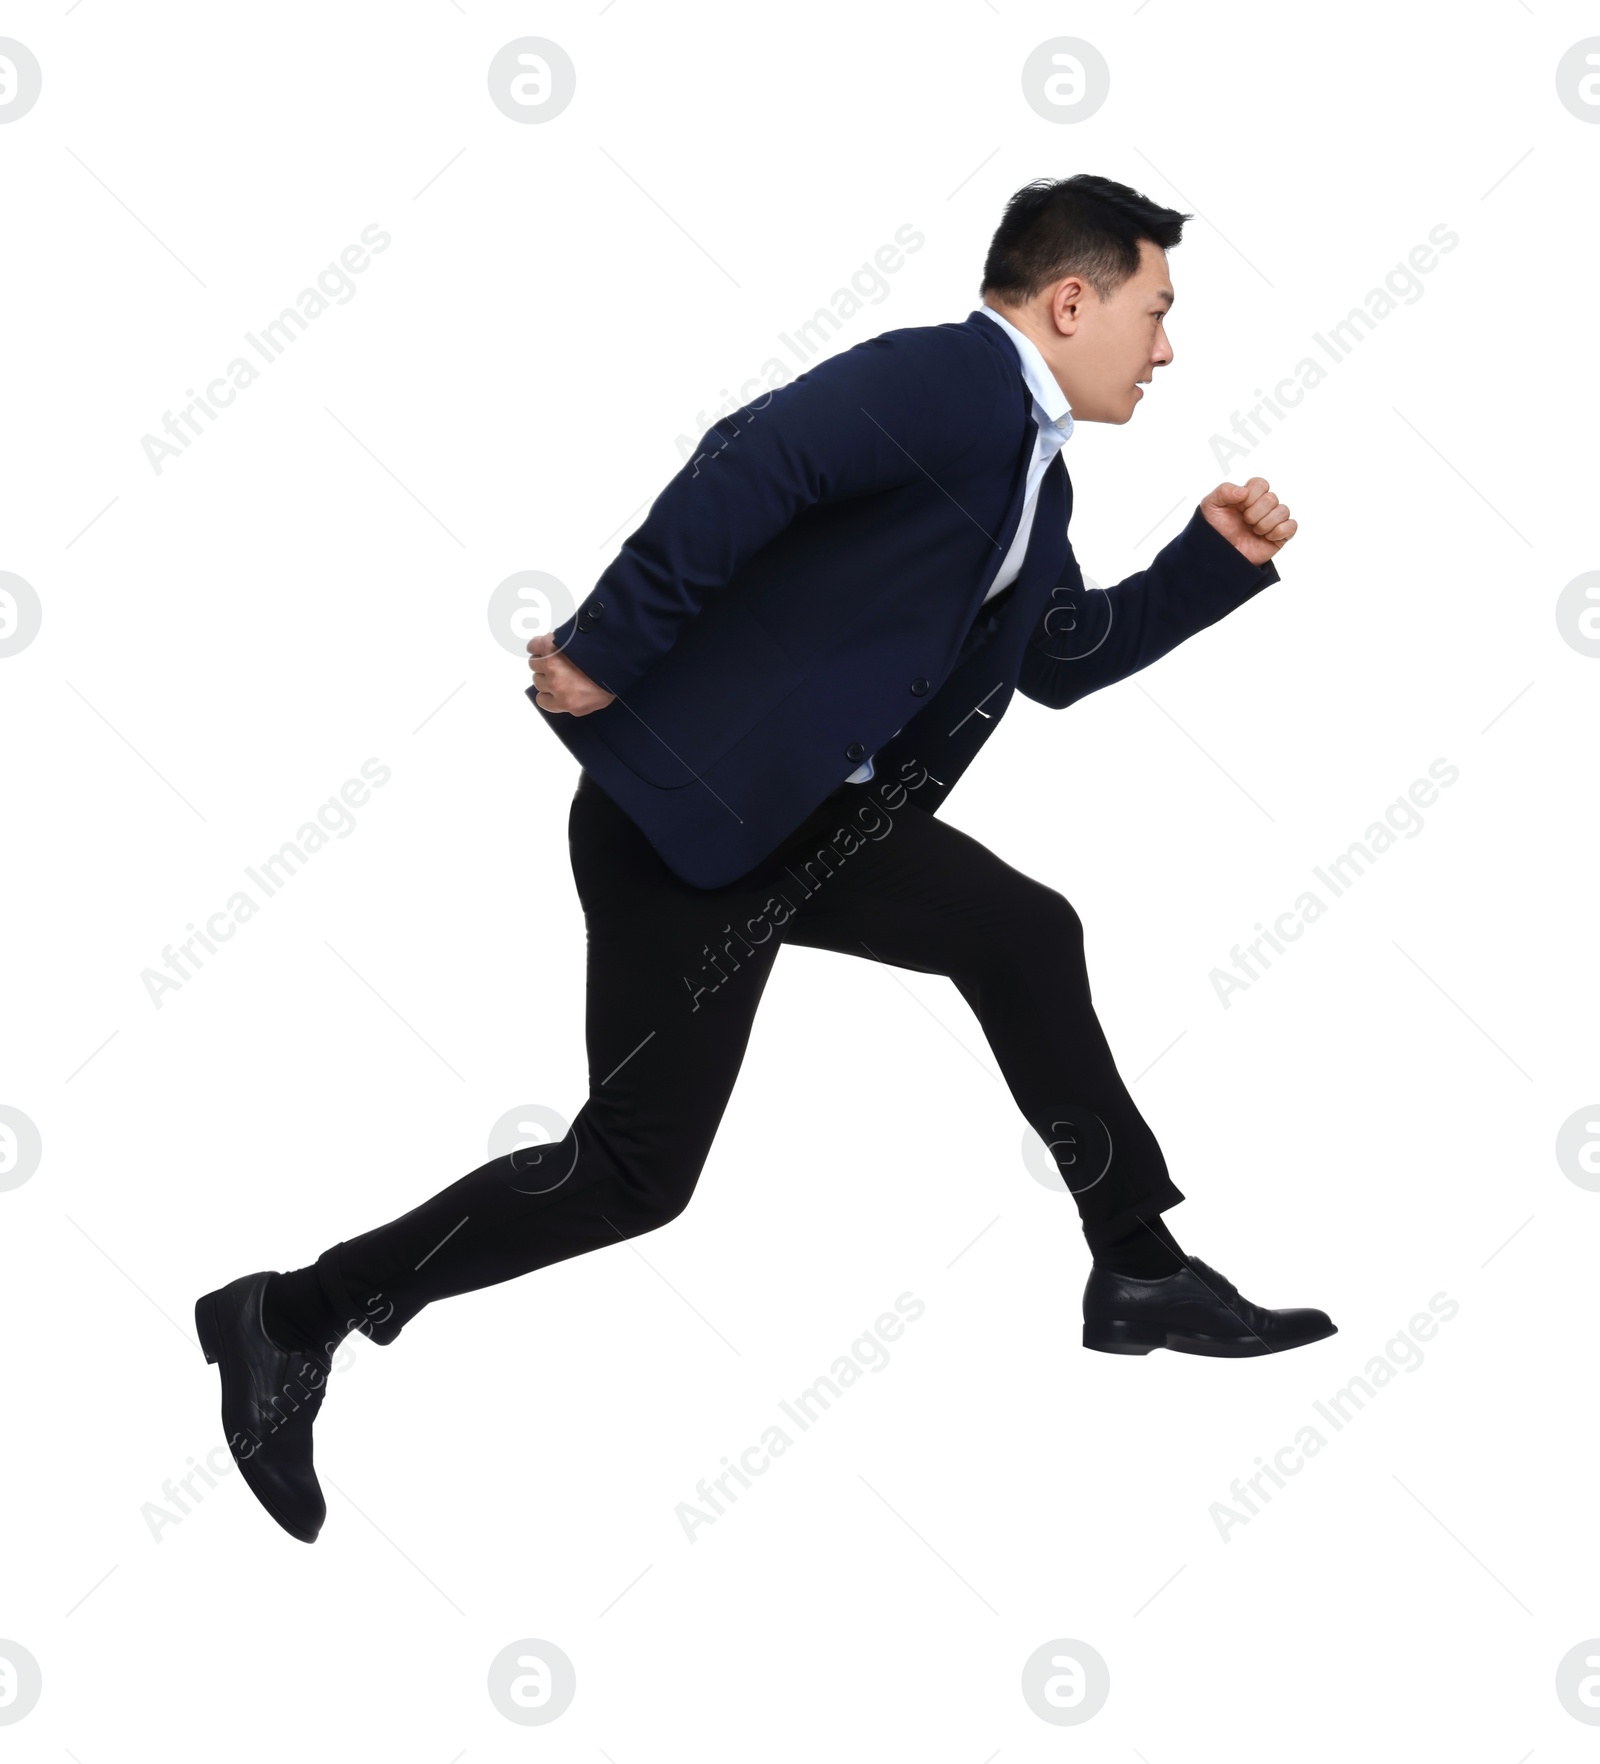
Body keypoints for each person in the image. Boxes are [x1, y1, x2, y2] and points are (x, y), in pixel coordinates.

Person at [196, 173, 1335, 1544]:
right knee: (629, 1175)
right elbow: (757, 457)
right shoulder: (948, 382)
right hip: (689, 820)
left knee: (1023, 932)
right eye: (1157, 312)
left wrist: (1211, 564)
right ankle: (286, 1314)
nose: (1167, 350)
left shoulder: (1035, 475)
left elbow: (1058, 660)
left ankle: (1138, 1266)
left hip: (802, 822)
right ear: (1074, 298)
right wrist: (609, 654)